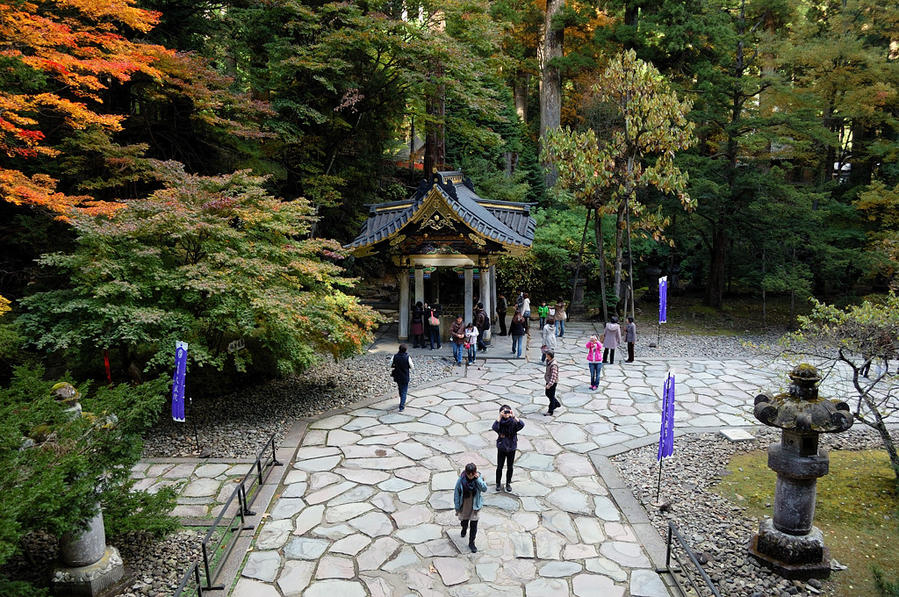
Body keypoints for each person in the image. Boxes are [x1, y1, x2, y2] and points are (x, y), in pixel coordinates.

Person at [453, 463, 487, 553]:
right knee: (464, 522)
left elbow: (484, 489)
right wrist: (457, 507)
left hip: (475, 506)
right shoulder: (461, 480)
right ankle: (464, 528)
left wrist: (478, 479)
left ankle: (471, 542)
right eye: (469, 474)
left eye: (472, 474)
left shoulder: (478, 479)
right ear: (466, 473)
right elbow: (456, 493)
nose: (471, 476)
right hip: (464, 505)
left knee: (474, 525)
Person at [492, 405, 524, 492]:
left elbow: (522, 425)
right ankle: (498, 483)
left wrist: (514, 416)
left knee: (510, 467)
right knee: (500, 466)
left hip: (511, 447)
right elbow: (494, 427)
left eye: (508, 412)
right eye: (504, 412)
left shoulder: (513, 422)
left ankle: (508, 483)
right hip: (502, 446)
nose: (506, 414)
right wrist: (499, 417)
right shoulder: (500, 422)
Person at [390, 344, 414, 411]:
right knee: (404, 391)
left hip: (397, 375)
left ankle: (401, 401)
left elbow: (390, 364)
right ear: (405, 350)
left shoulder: (395, 356)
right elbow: (412, 366)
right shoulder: (407, 357)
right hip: (405, 376)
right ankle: (402, 406)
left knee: (400, 389)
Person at [543, 351, 561, 416]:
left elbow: (554, 376)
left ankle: (550, 411)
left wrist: (549, 384)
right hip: (548, 381)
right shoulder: (548, 361)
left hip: (552, 383)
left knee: (551, 396)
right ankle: (556, 403)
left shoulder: (553, 365)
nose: (546, 356)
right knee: (547, 393)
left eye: (547, 355)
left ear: (549, 356)